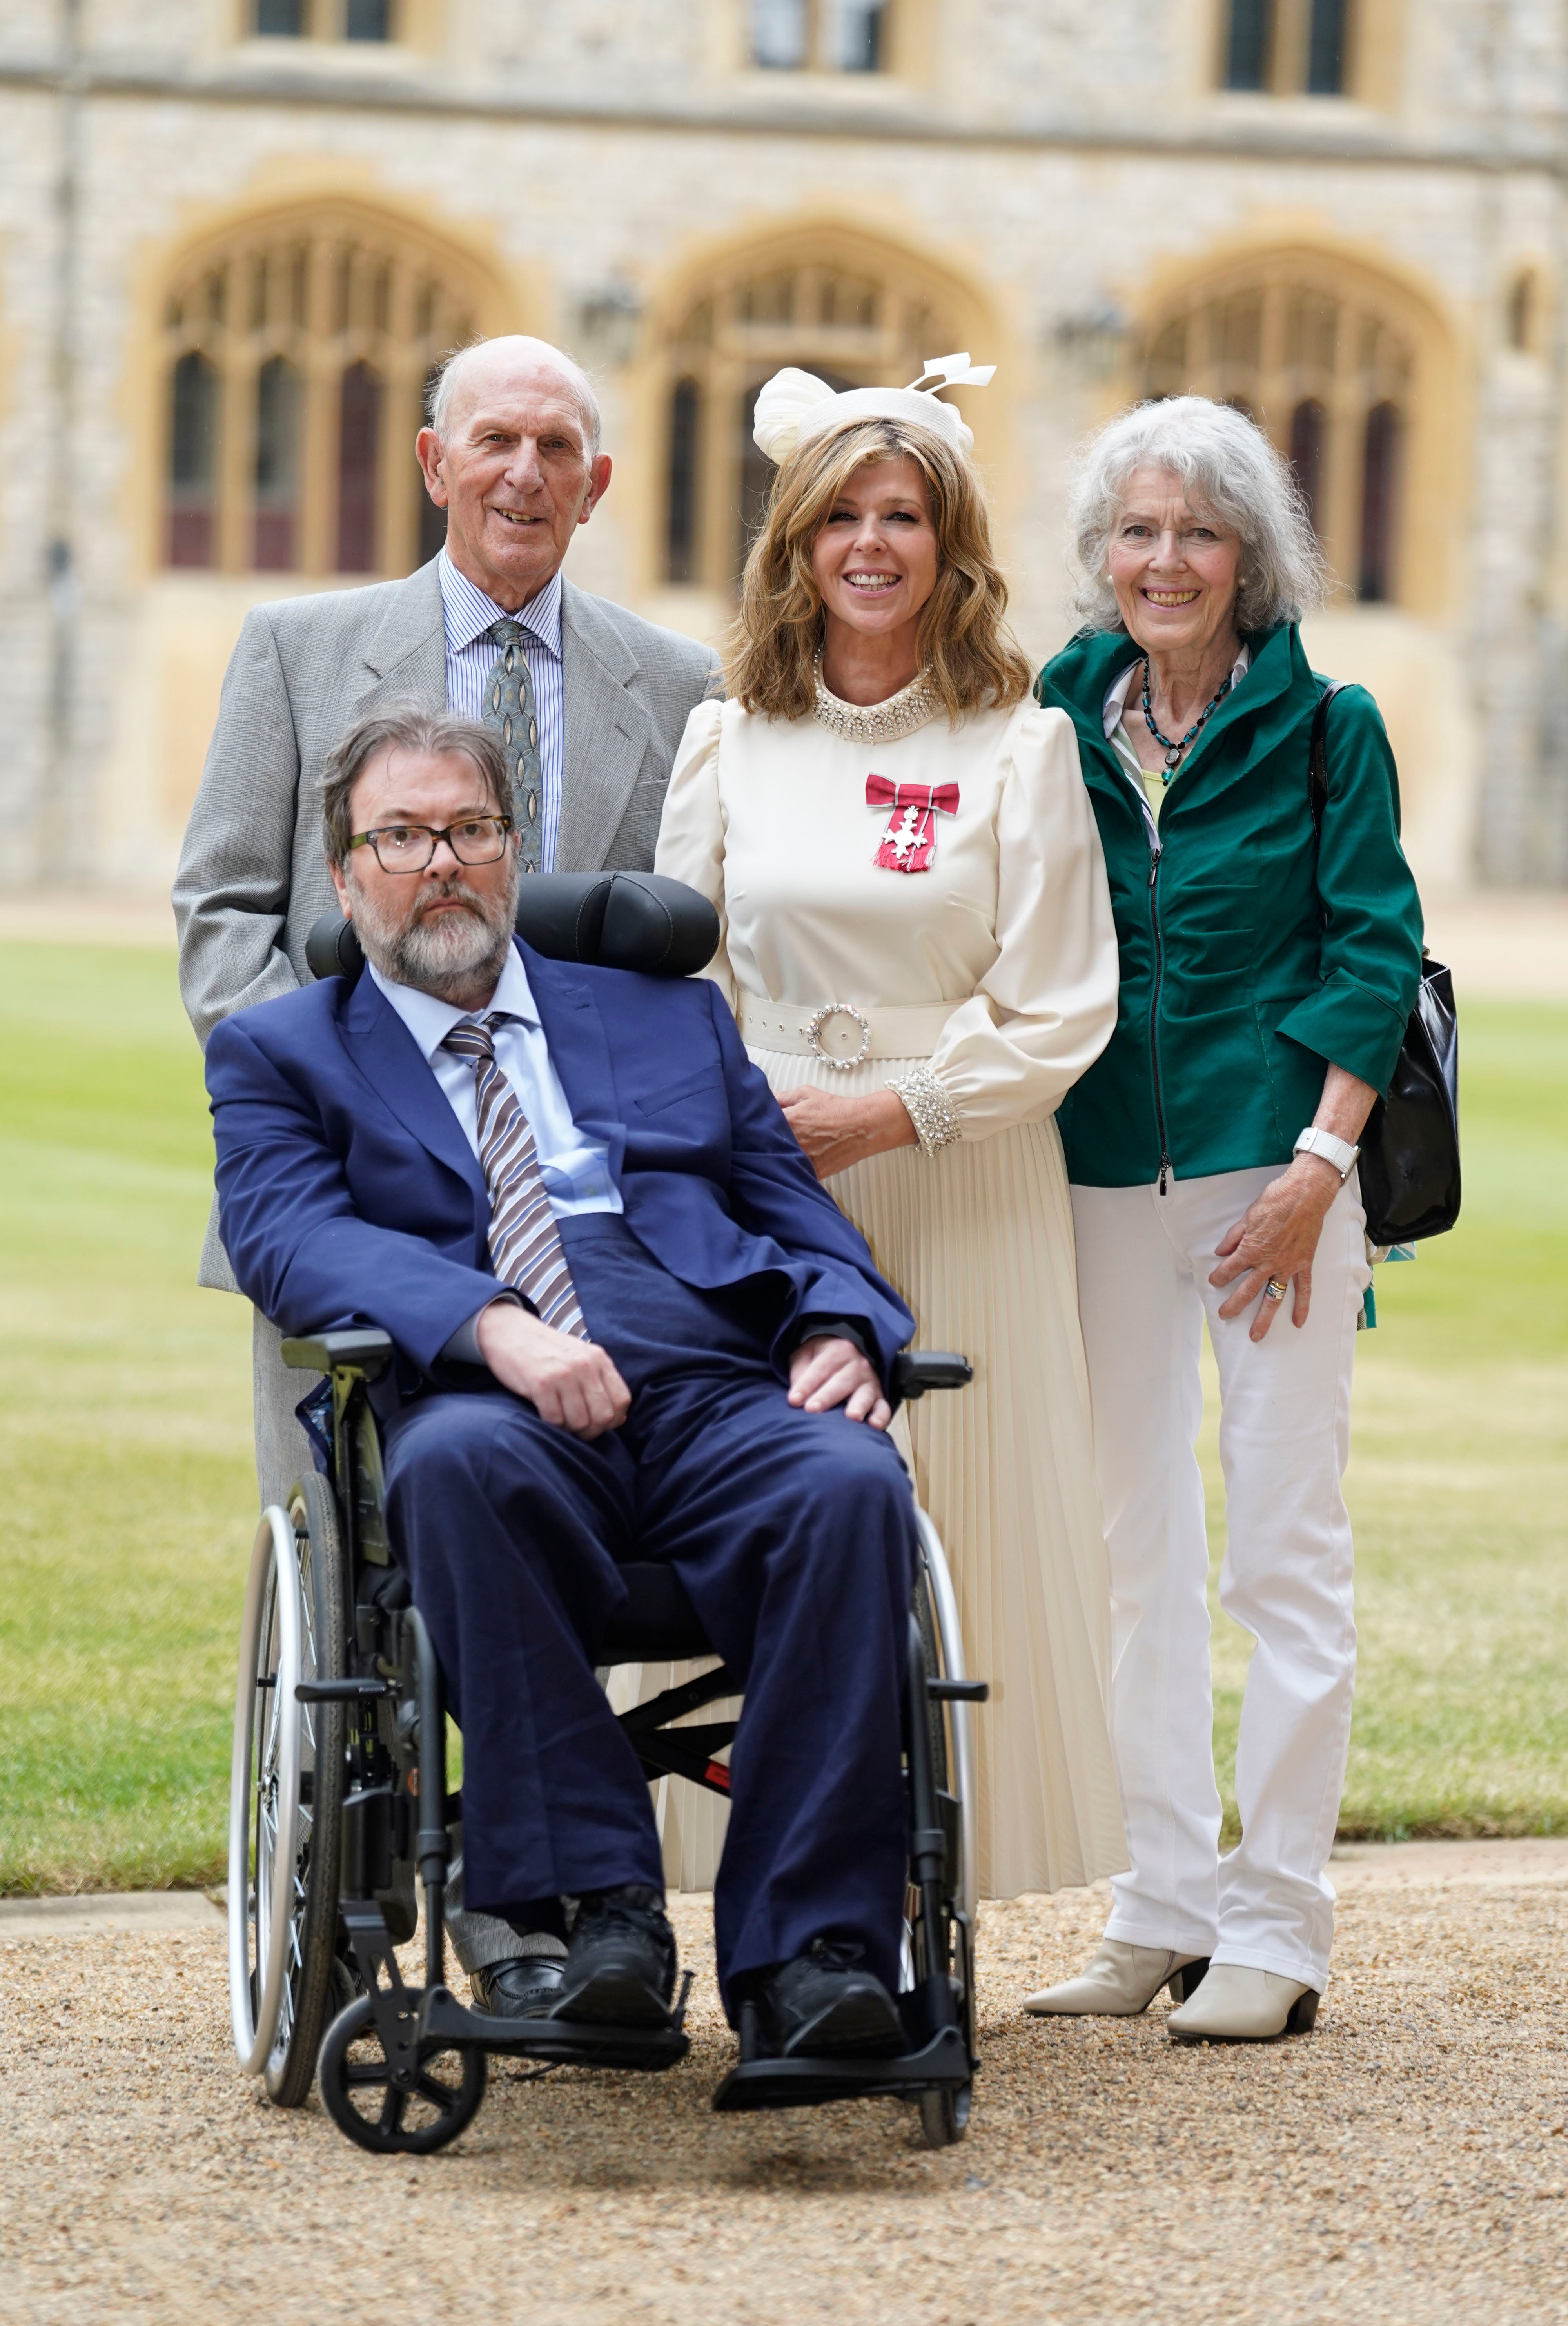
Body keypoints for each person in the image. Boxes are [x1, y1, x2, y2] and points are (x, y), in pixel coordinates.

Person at [205, 704, 923, 2057]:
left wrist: (840, 1325)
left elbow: (792, 1208)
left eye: (470, 830)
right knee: (450, 1468)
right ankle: (598, 1914)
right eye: (402, 836)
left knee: (849, 1479)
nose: (442, 863)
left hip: (717, 1382)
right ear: (346, 873)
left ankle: (813, 1954)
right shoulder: (285, 1054)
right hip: (499, 1401)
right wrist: (495, 1322)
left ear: (514, 851)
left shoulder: (667, 1019)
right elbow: (289, 1238)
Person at [654, 360, 1127, 1902]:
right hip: (768, 1179)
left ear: (950, 541)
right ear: (795, 541)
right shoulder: (732, 737)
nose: (871, 542)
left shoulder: (1021, 743)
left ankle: (928, 1882)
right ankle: (757, 1876)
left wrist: (892, 1107)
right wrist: (753, 1129)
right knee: (767, 1504)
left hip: (962, 1174)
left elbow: (1061, 1005)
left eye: (903, 513)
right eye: (841, 513)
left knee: (952, 1508)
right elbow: (681, 979)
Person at [1025, 396, 1424, 2042]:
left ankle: (1278, 1921)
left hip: (1282, 1179)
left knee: (1281, 1550)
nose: (1164, 559)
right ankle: (1162, 1903)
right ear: (1100, 555)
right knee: (1131, 1555)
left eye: (1197, 530)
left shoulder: (1328, 723)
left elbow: (1370, 951)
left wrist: (1316, 1171)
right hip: (1107, 1165)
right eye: (1137, 529)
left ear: (1253, 555)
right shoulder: (1053, 707)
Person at [172, 333, 719, 1513]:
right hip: (351, 1185)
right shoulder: (297, 650)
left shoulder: (683, 684)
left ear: (596, 483)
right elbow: (222, 910)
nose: (525, 473)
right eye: (496, 443)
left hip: (586, 1194)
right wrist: (337, 1103)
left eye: (556, 448)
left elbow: (677, 943)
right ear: (434, 465)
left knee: (598, 1546)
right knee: (340, 1557)